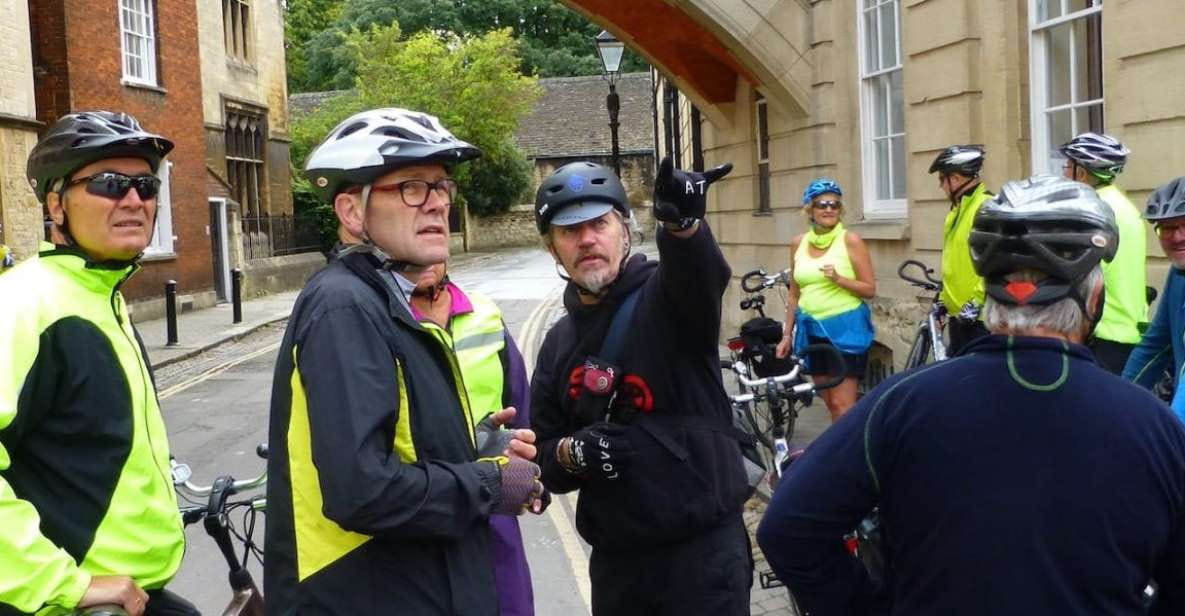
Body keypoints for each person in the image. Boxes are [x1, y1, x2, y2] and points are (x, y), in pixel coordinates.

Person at [757, 175, 1185, 615]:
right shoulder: (1154, 425)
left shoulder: (902, 403)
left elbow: (788, 528)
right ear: (1095, 296)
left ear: (989, 295)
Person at [265, 108, 544, 615]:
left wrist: (478, 449)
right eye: (412, 187)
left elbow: (401, 446)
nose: (437, 203)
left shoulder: (389, 305)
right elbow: (362, 490)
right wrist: (488, 483)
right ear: (352, 212)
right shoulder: (345, 307)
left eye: (442, 186)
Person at [530, 158, 753, 616]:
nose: (587, 239)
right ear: (553, 249)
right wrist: (573, 453)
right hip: (618, 566)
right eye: (570, 231)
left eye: (599, 224)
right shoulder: (557, 345)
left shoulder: (667, 298)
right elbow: (544, 458)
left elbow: (700, 277)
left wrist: (683, 228)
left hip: (703, 557)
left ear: (626, 232)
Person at [0, 111, 196, 616]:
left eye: (146, 185)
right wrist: (60, 583)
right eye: (109, 183)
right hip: (63, 603)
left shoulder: (99, 296)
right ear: (56, 205)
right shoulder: (24, 305)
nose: (133, 200)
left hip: (131, 595)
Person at [410, 263, 538, 616]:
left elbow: (521, 417)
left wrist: (521, 468)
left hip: (492, 520)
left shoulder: (486, 317)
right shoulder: (374, 320)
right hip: (417, 518)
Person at [775, 178, 875, 420]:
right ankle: (843, 443)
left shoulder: (850, 240)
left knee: (843, 405)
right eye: (822, 204)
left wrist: (840, 279)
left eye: (834, 205)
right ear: (810, 209)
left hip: (846, 331)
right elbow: (794, 293)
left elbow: (869, 289)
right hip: (811, 331)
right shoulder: (798, 243)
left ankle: (851, 445)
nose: (829, 209)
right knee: (829, 401)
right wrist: (786, 335)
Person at [1059, 132, 1146, 374]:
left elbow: (1076, 270)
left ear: (1081, 173)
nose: (1064, 173)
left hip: (1101, 330)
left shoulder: (1092, 210)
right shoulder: (1124, 206)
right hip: (1128, 327)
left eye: (1068, 166)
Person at [1125, 176, 1185, 421]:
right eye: (1167, 228)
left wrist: (1174, 431)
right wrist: (1119, 401)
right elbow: (1156, 345)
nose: (1178, 237)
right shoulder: (1179, 273)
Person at [929, 144, 991, 354]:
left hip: (979, 320)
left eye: (942, 179)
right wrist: (943, 301)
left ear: (955, 178)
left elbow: (996, 262)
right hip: (959, 318)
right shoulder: (958, 210)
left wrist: (977, 302)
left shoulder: (985, 207)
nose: (940, 186)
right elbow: (955, 262)